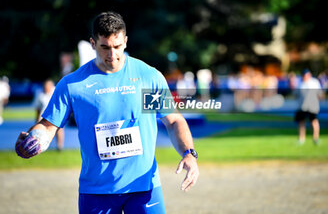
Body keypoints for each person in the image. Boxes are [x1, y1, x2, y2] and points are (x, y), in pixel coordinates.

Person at [15, 11, 199, 214]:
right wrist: (35, 139)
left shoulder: (147, 77)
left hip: (144, 188)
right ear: (93, 43)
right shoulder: (73, 84)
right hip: (96, 192)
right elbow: (49, 126)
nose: (112, 55)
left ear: (126, 41)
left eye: (117, 46)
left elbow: (173, 120)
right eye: (105, 47)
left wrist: (189, 153)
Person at [33, 79, 65, 150]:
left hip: (56, 114)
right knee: (39, 131)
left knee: (59, 130)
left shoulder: (57, 91)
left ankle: (60, 146)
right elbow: (38, 107)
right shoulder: (39, 93)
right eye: (45, 86)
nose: (46, 88)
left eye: (47, 86)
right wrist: (37, 119)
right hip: (43, 115)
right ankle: (39, 147)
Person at [295, 69, 324, 145]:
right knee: (301, 122)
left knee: (314, 122)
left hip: (312, 106)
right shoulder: (300, 83)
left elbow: (320, 94)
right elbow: (296, 94)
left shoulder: (314, 82)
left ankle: (316, 138)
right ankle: (301, 139)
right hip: (302, 106)